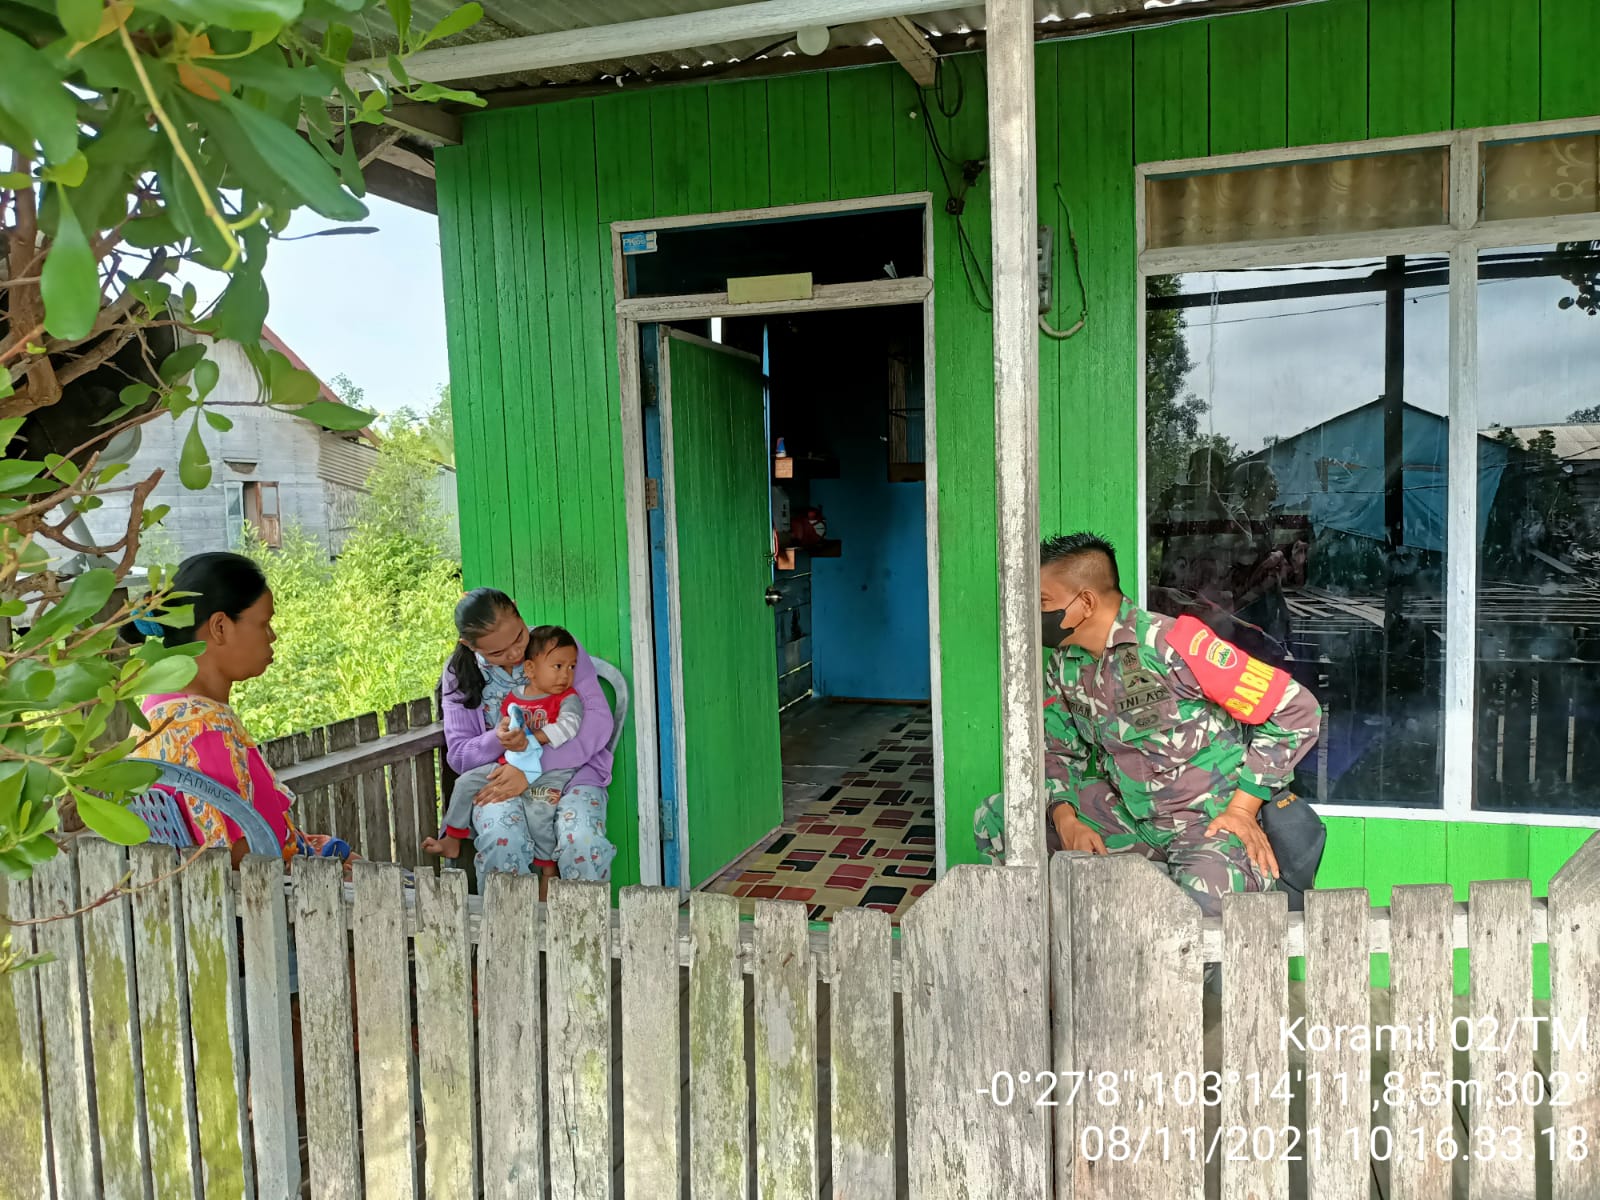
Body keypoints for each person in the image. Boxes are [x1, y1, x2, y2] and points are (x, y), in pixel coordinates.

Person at [1038, 532, 1321, 916]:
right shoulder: (1064, 664)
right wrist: (1066, 818)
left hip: (1205, 821)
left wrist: (1242, 808)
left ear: (1085, 602)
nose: (1032, 616)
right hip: (1128, 814)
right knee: (1002, 818)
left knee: (1204, 914)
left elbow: (1297, 710)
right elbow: (1056, 750)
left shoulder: (1172, 644)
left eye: (1042, 603)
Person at [128, 551, 344, 867]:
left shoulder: (156, 708)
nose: (272, 636)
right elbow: (240, 861)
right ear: (220, 627)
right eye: (263, 623)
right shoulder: (207, 727)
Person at [440, 589, 617, 885]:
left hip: (573, 774)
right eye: (497, 652)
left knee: (583, 842)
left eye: (519, 637)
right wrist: (498, 738)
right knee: (501, 840)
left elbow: (598, 721)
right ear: (468, 645)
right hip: (500, 780)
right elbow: (460, 756)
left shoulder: (556, 646)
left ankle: (584, 930)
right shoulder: (459, 672)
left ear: (518, 610)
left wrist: (529, 769)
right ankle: (510, 931)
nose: (515, 655)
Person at [425, 624, 584, 891]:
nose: (566, 675)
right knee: (464, 784)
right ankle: (452, 836)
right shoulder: (514, 698)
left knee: (540, 813)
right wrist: (505, 736)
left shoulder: (567, 699)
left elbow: (570, 726)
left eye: (571, 667)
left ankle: (548, 870)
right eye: (558, 667)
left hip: (546, 769)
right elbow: (497, 733)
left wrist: (536, 738)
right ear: (531, 670)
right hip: (509, 764)